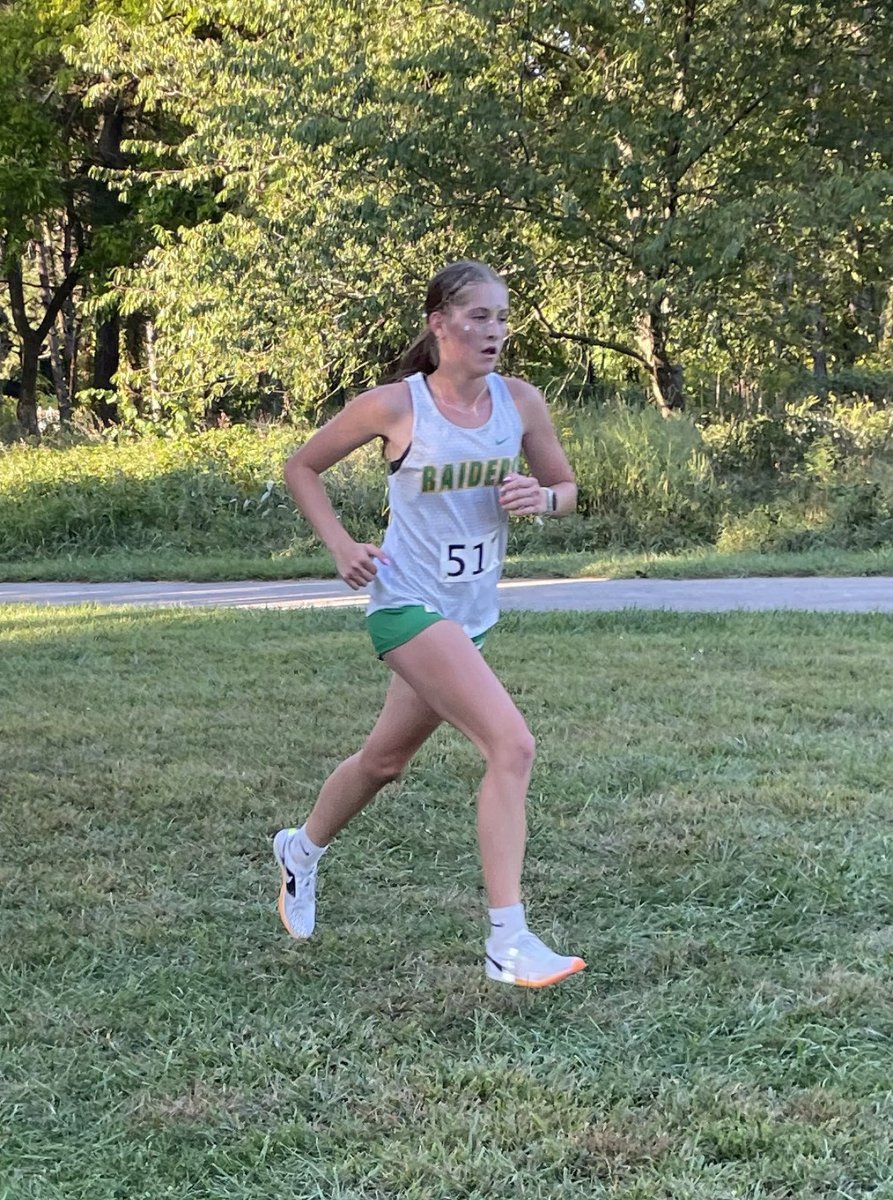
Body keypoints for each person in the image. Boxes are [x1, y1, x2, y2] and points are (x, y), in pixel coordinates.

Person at [274, 259, 585, 988]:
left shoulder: (520, 402)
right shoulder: (394, 406)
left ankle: (300, 850)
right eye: (479, 318)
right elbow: (302, 468)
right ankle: (508, 941)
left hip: (470, 614)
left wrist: (538, 501)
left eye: (503, 319)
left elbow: (566, 489)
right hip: (405, 604)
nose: (495, 332)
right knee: (511, 745)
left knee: (383, 764)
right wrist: (342, 545)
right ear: (438, 323)